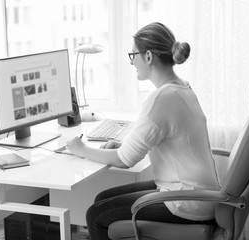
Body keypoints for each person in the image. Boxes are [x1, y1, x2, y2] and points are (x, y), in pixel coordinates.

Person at [66, 22, 220, 240]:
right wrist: (125, 145)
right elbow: (163, 137)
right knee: (102, 198)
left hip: (187, 202)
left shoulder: (160, 99)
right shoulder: (182, 87)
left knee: (95, 215)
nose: (132, 62)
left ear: (148, 56)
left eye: (133, 55)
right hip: (199, 194)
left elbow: (124, 160)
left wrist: (80, 149)